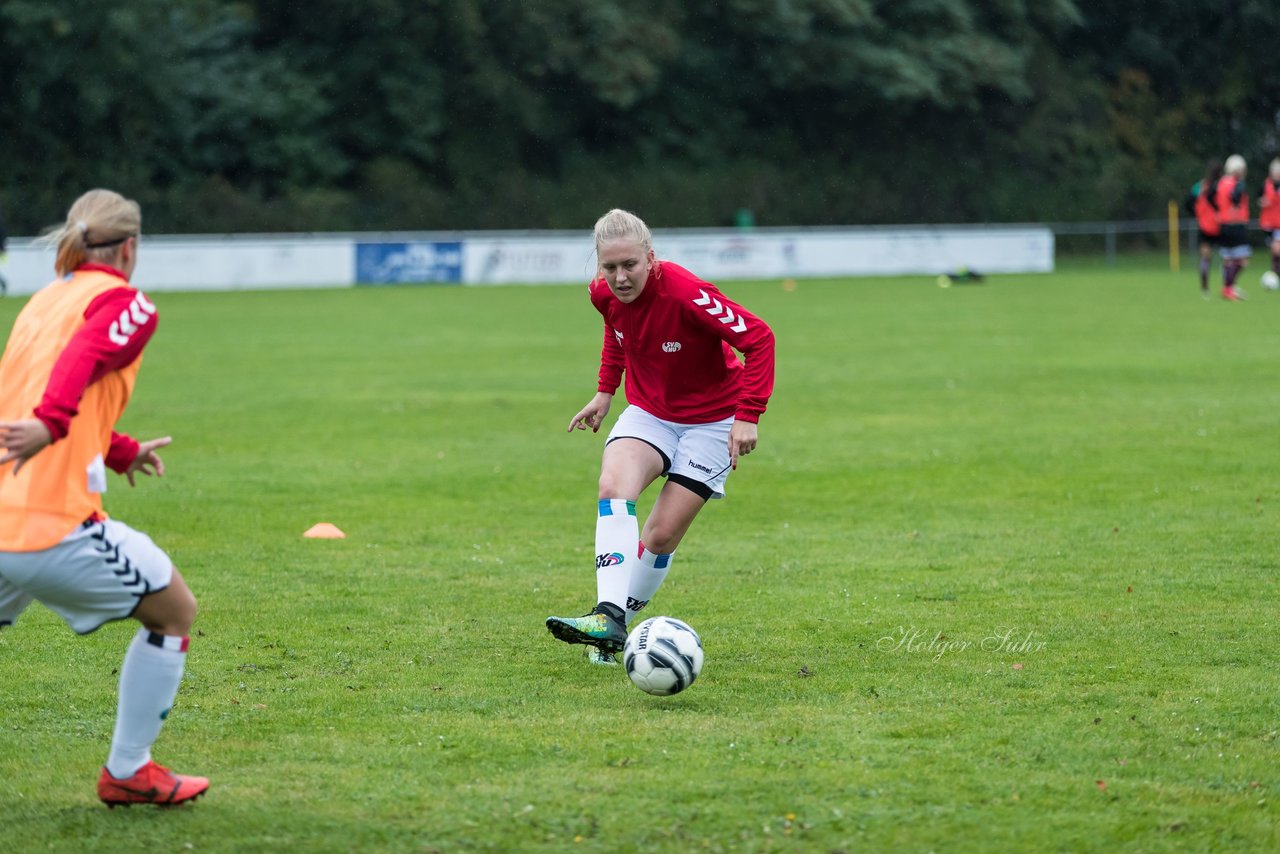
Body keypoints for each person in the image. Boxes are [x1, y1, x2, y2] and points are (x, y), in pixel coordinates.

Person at [0, 189, 208, 807]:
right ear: (131, 247)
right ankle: (129, 771)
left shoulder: (43, 300)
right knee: (174, 611)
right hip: (50, 522)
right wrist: (54, 422)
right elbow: (82, 362)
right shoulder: (128, 303)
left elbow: (36, 390)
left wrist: (118, 450)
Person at [545, 209, 776, 664]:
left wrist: (748, 416)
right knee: (614, 487)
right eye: (609, 267)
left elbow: (760, 338)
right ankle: (608, 617)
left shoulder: (687, 294)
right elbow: (617, 333)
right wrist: (605, 391)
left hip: (714, 422)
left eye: (629, 265)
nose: (619, 277)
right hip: (650, 412)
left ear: (651, 258)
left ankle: (617, 622)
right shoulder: (601, 293)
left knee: (661, 534)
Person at [1215, 154, 1251, 301]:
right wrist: (1239, 188)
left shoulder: (1221, 182)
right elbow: (1235, 197)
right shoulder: (1235, 183)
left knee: (1228, 259)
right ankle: (1228, 288)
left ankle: (1229, 287)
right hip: (1235, 225)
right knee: (1242, 260)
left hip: (1223, 224)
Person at [1184, 159, 1222, 297]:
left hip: (1205, 226)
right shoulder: (1222, 185)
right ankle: (1228, 286)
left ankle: (1205, 289)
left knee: (1205, 257)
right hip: (1221, 225)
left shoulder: (1200, 186)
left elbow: (1187, 202)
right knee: (1228, 256)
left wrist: (1197, 214)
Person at [1258, 158, 1280, 278]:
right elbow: (1258, 199)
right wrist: (1262, 201)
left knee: (1277, 248)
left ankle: (1274, 272)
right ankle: (1275, 271)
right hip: (1268, 223)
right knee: (1274, 249)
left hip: (1279, 223)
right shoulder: (1265, 184)